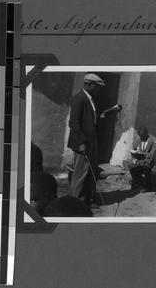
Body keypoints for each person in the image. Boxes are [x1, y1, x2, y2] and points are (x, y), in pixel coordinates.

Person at [67, 73, 105, 209]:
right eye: (97, 86)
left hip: (91, 142)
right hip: (82, 143)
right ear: (89, 84)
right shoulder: (79, 98)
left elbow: (88, 121)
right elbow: (74, 123)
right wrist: (82, 142)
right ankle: (75, 203)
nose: (99, 89)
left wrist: (99, 117)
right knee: (81, 173)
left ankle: (88, 198)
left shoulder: (90, 99)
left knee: (91, 171)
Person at [127, 126, 156, 193]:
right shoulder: (139, 140)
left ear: (146, 134)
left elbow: (152, 156)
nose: (141, 138)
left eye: (143, 136)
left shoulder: (153, 142)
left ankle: (148, 187)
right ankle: (137, 182)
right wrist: (134, 154)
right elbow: (134, 150)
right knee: (131, 166)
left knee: (145, 167)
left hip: (149, 162)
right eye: (140, 136)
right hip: (140, 160)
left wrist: (143, 155)